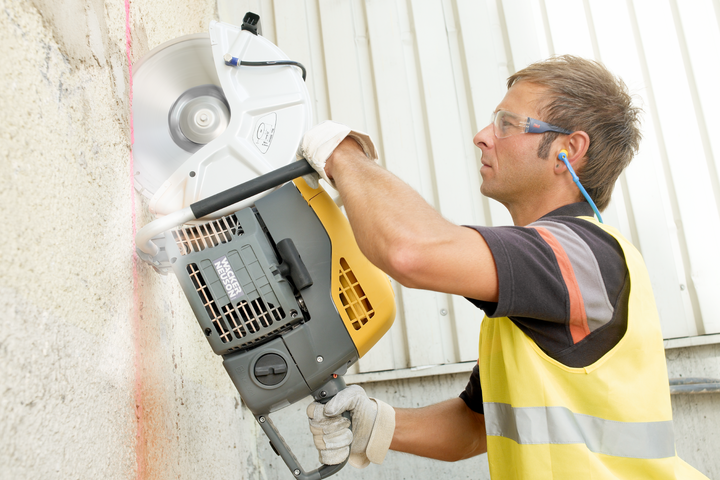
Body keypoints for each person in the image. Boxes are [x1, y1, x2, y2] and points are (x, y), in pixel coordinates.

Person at [300, 55, 707, 479]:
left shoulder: (580, 254)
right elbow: (476, 426)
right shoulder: (545, 274)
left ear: (569, 150)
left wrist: (342, 156)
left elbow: (411, 252)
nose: (481, 137)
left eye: (507, 124)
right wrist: (370, 421)